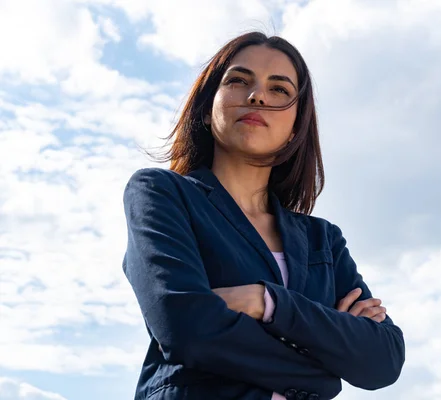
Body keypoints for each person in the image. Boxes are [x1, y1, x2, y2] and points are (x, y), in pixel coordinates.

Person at [122, 31, 405, 400]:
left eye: (279, 90)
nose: (256, 96)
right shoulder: (162, 194)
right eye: (239, 81)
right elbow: (184, 326)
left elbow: (382, 359)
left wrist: (267, 302)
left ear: (295, 128)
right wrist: (322, 372)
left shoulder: (323, 240)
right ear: (208, 109)